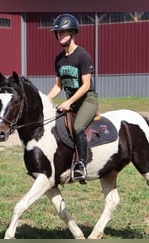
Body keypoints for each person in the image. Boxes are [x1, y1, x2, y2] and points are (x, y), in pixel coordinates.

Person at [47, 13, 98, 183]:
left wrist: (68, 102)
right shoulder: (59, 59)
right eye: (59, 33)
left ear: (74, 33)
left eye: (65, 32)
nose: (61, 35)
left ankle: (81, 166)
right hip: (71, 103)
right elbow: (58, 86)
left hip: (87, 101)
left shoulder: (82, 55)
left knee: (77, 127)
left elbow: (85, 85)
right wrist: (45, 100)